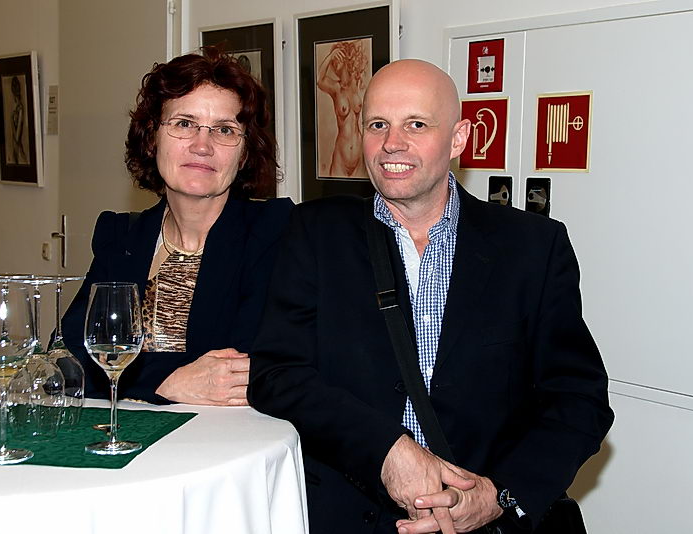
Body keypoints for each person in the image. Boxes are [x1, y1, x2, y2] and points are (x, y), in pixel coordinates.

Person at [249, 59, 614, 533]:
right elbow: (277, 374)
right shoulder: (316, 233)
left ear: (459, 139)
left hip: (484, 521)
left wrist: (498, 494)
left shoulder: (532, 247)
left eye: (416, 124)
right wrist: (386, 451)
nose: (392, 143)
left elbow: (579, 398)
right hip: (348, 514)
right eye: (377, 124)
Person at [63, 47, 293, 406]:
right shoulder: (120, 237)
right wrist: (167, 381)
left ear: (244, 153)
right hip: (126, 433)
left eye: (224, 129)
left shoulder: (276, 234)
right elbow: (72, 358)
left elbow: (249, 367)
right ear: (152, 138)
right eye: (184, 124)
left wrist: (131, 374)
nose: (202, 145)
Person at [317, 40, 368, 177]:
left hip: (359, 152)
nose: (334, 65)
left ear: (346, 61)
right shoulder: (336, 88)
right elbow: (319, 80)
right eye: (333, 62)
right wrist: (330, 56)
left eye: (337, 60)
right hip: (341, 154)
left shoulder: (357, 84)